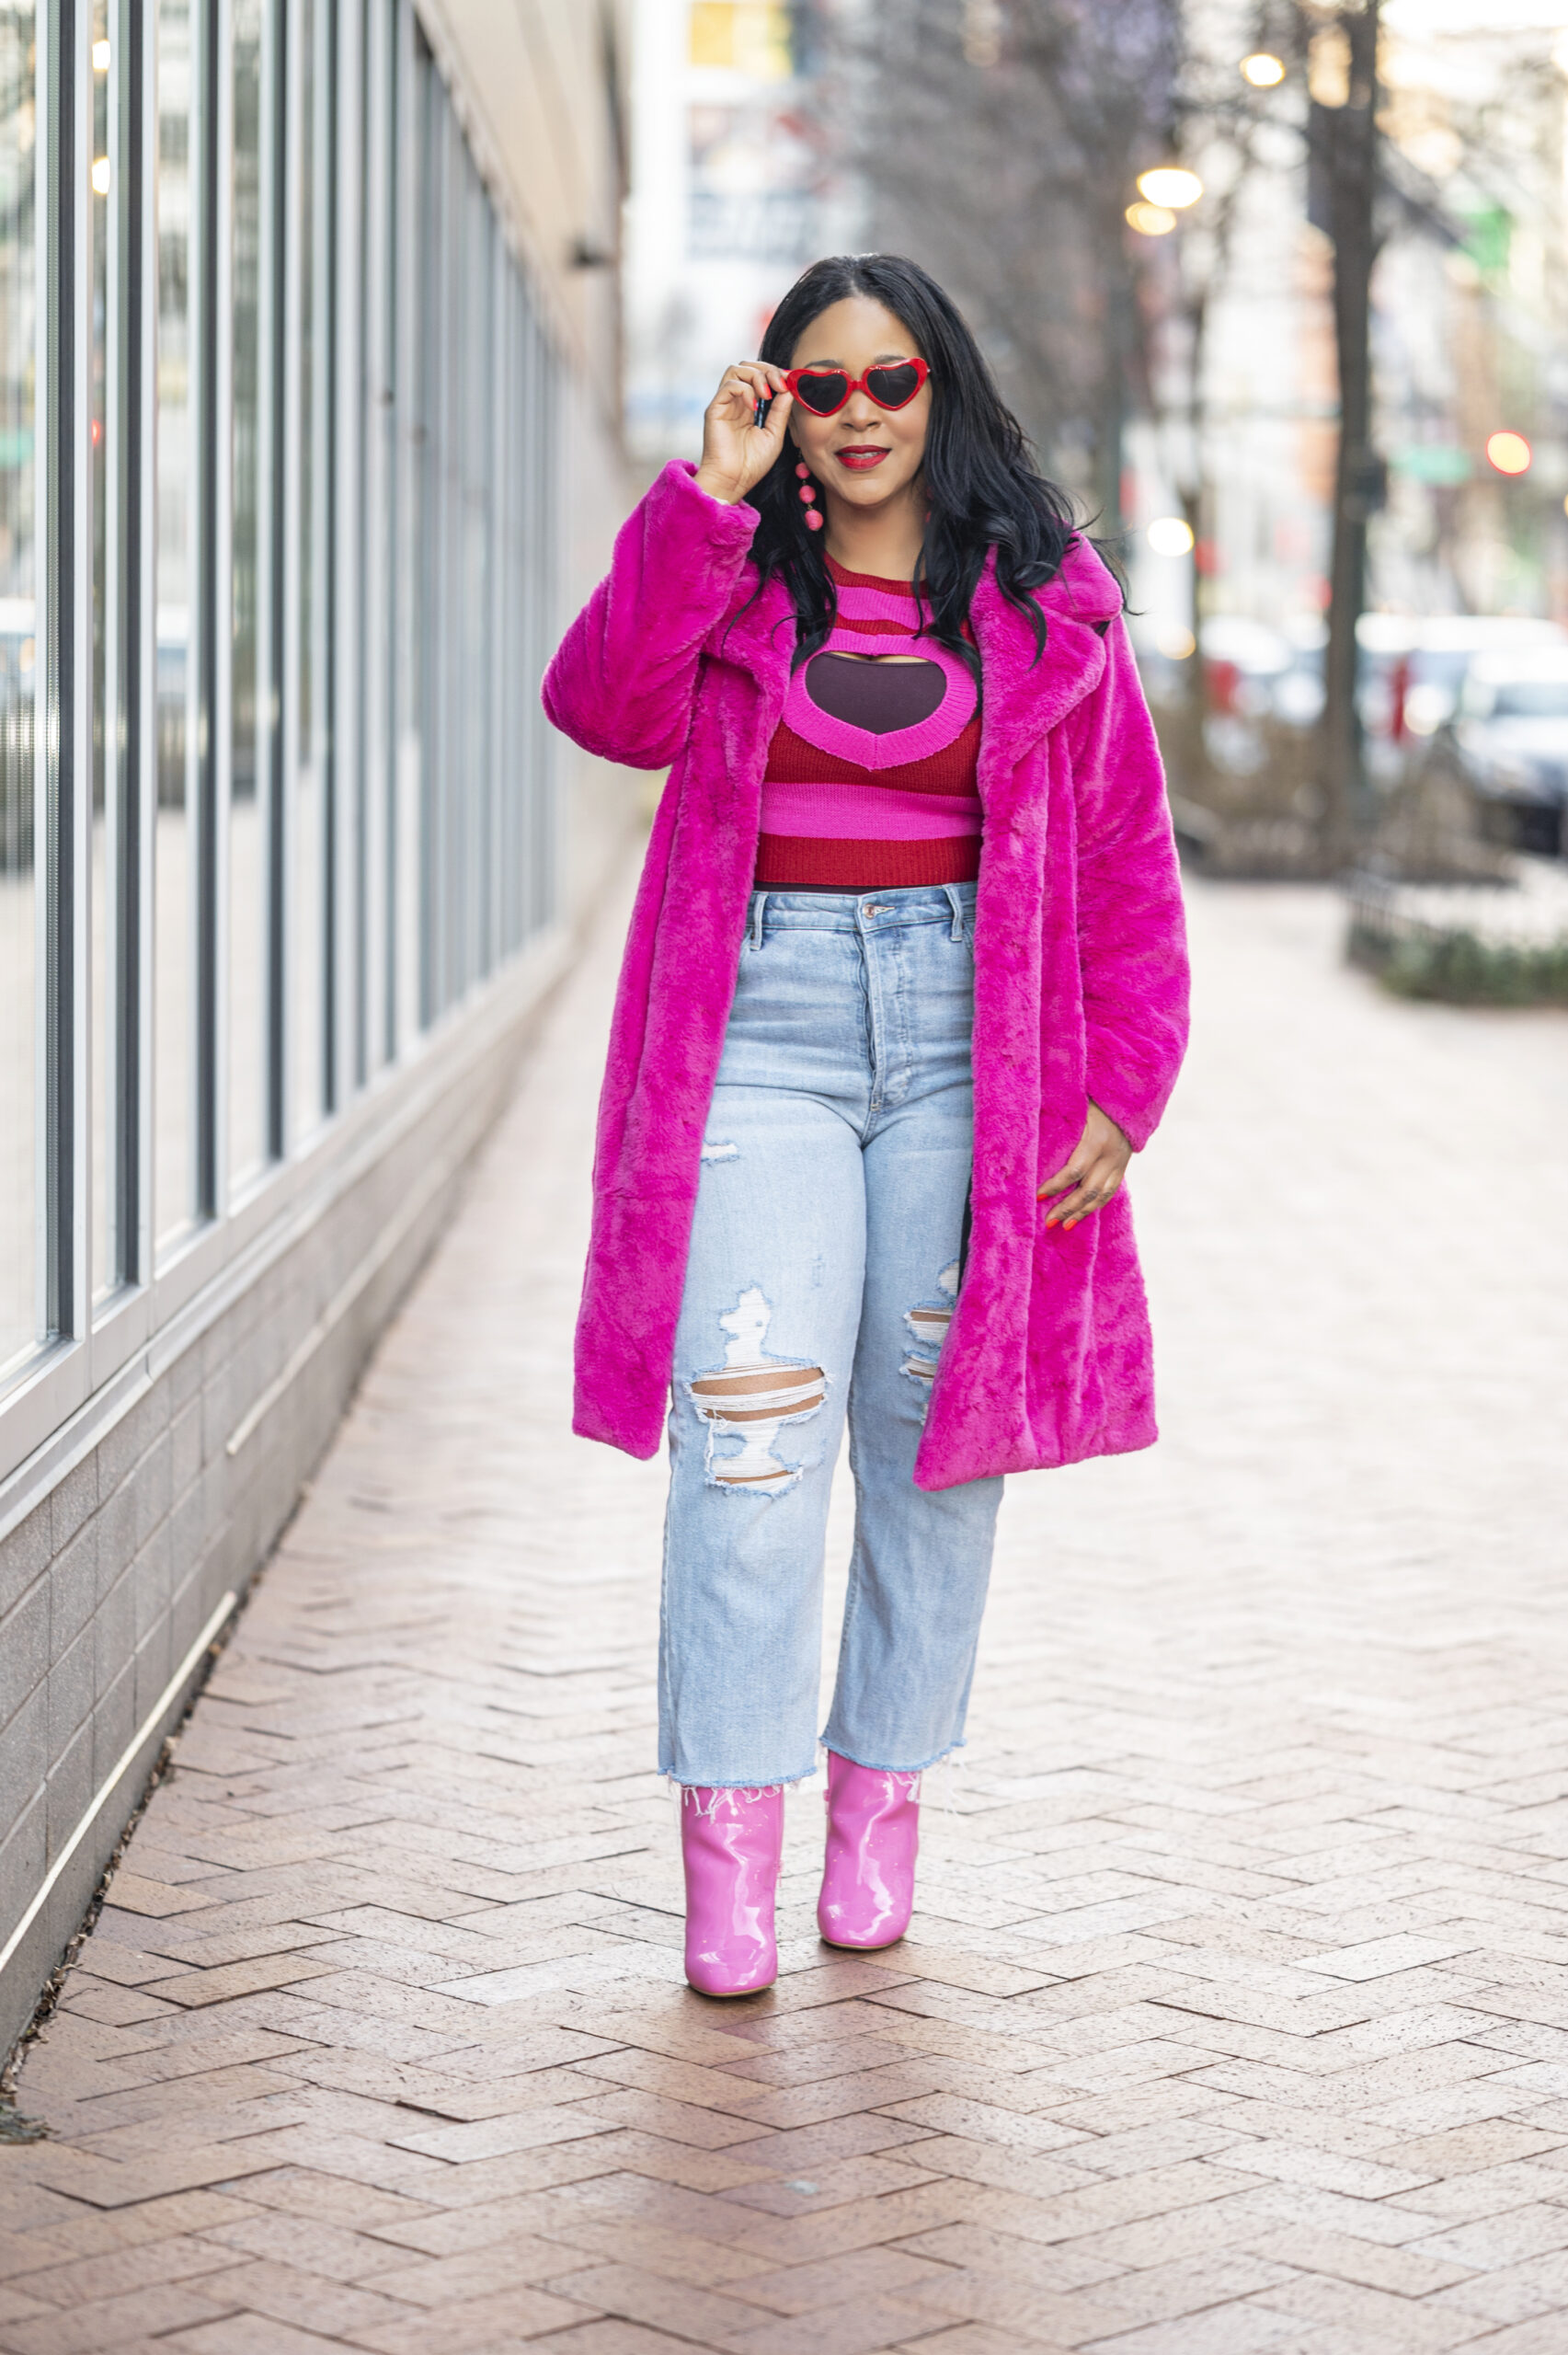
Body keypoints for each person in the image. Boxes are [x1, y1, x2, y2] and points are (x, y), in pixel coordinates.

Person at [544, 254, 1189, 1998]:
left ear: (939, 387)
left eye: (884, 381)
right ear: (778, 405)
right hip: (759, 1031)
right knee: (749, 1438)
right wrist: (703, 500)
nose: (854, 417)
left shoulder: (1048, 600)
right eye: (815, 387)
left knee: (933, 1448)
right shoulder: (735, 581)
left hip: (976, 1049)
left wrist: (1125, 1079)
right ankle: (728, 1844)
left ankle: (878, 1807)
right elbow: (603, 710)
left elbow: (1126, 853)